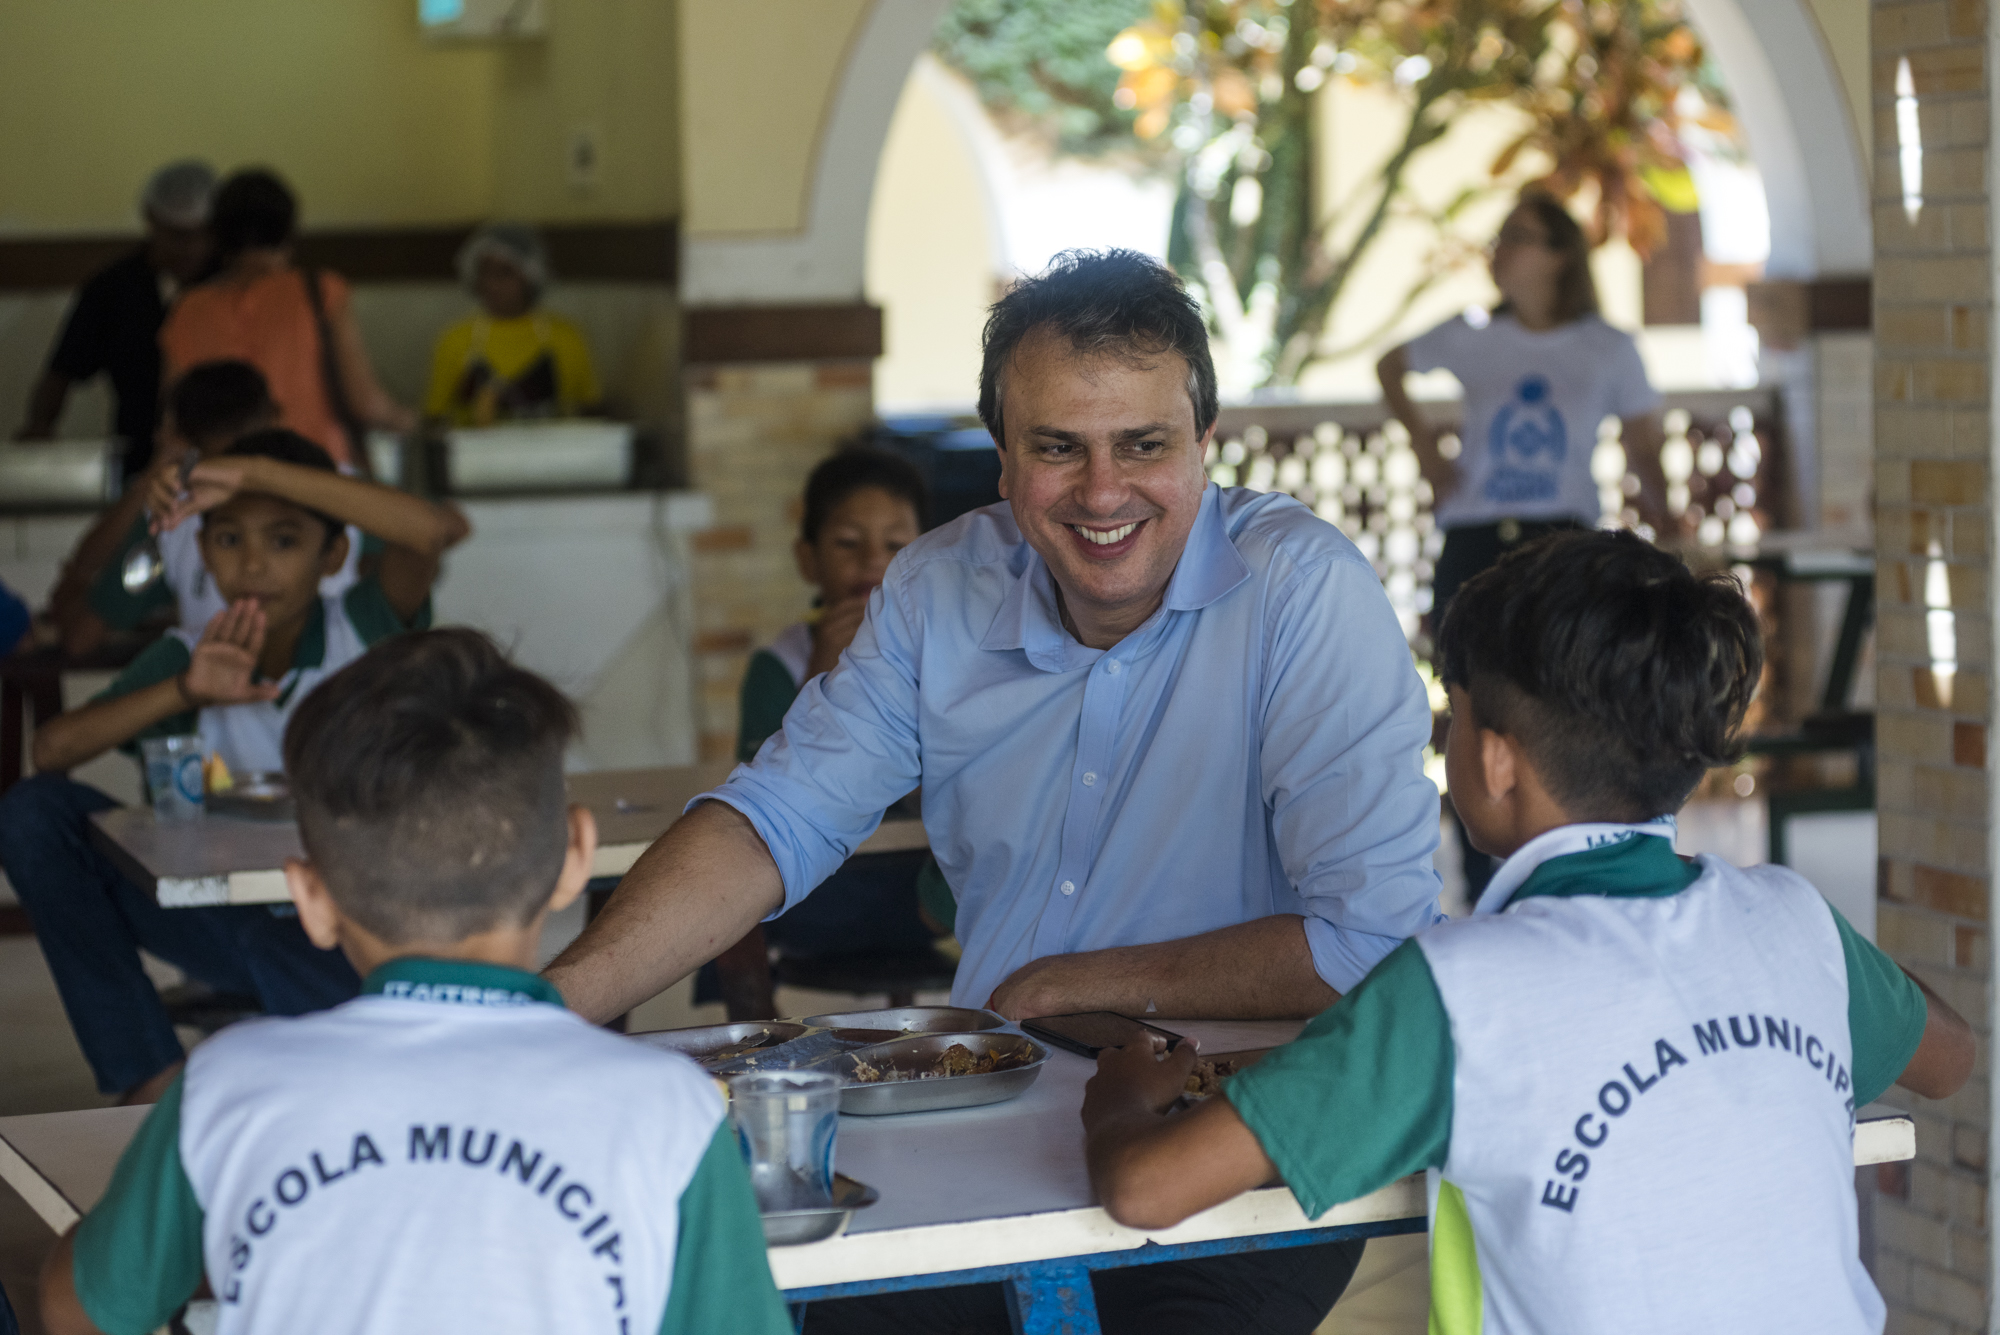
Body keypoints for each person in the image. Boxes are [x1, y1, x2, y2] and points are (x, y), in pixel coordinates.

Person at [547, 250, 1444, 1332]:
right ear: (1003, 459)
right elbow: (775, 821)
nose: (1102, 492)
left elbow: (1367, 940)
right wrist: (545, 1014)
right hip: (971, 1126)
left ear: (1205, 445)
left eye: (1143, 446)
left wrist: (1074, 981)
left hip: (1218, 1149)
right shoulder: (937, 588)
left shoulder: (1301, 592)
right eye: (1057, 449)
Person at [1078, 530, 1975, 1335]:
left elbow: (1143, 1187)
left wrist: (1122, 1094)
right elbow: (1949, 1057)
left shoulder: (1457, 990)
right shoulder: (1795, 921)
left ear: (1497, 759)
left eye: (1454, 715)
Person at [37, 629, 791, 1335]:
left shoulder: (228, 1085)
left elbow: (81, 1310)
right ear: (576, 854)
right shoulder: (671, 1110)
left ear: (310, 897)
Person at [0, 429, 466, 1106]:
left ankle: (359, 1067)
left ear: (333, 553)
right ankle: (150, 1075)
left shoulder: (364, 626)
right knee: (33, 811)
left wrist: (253, 471)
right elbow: (52, 752)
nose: (253, 564)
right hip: (216, 920)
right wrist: (185, 691)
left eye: (284, 540)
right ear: (203, 553)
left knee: (290, 957)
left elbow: (426, 531)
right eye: (228, 539)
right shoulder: (188, 656)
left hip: (345, 922)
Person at [1378, 190, 1668, 899]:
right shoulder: (1473, 333)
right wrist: (1429, 452)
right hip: (1477, 538)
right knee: (1471, 697)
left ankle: (1564, 863)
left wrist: (1673, 534)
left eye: (1520, 236)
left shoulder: (1607, 346)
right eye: (1501, 235)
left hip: (1561, 540)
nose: (1501, 249)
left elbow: (1644, 449)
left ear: (1561, 255)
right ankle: (1484, 874)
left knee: (1566, 698)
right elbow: (1392, 365)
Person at [695, 447, 942, 999]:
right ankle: (748, 1023)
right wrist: (818, 680)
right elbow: (762, 793)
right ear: (808, 560)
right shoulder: (779, 664)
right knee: (740, 896)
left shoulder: (948, 654)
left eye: (897, 545)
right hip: (824, 885)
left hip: (924, 876)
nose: (872, 564)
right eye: (847, 544)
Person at [161, 169, 414, 468]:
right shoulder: (320, 290)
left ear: (217, 234)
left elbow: (174, 422)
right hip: (314, 472)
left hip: (220, 477)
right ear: (288, 230)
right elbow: (366, 404)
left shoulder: (188, 307)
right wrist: (412, 421)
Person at [44, 361, 294, 655]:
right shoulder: (337, 489)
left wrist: (74, 582)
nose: (157, 437)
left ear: (181, 441)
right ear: (277, 418)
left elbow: (82, 634)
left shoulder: (174, 517)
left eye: (164, 429)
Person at [15, 161, 216, 479]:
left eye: (204, 235)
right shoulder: (114, 288)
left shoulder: (228, 285)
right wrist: (39, 430)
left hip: (222, 462)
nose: (192, 248)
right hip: (140, 460)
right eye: (179, 236)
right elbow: (62, 371)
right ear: (152, 220)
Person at [424, 223, 603, 426]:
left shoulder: (567, 337)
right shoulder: (454, 339)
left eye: (505, 272)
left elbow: (591, 411)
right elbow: (434, 417)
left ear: (531, 276)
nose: (492, 283)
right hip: (475, 456)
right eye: (485, 272)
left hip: (552, 454)